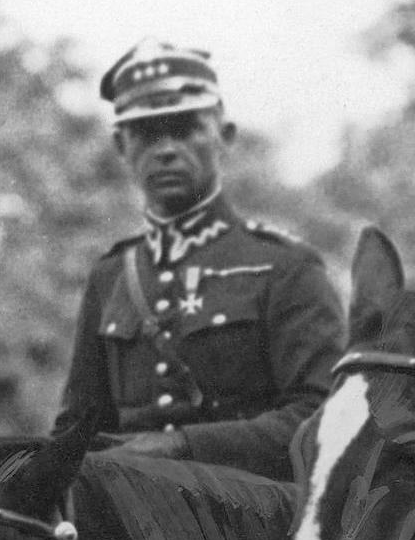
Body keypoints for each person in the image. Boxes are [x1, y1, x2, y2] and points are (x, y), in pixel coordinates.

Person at [56, 42, 342, 481]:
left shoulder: (285, 267)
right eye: (146, 133)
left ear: (224, 136)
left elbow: (320, 416)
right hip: (124, 509)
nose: (166, 150)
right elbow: (78, 426)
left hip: (251, 509)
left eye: (185, 129)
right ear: (120, 146)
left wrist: (182, 446)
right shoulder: (111, 274)